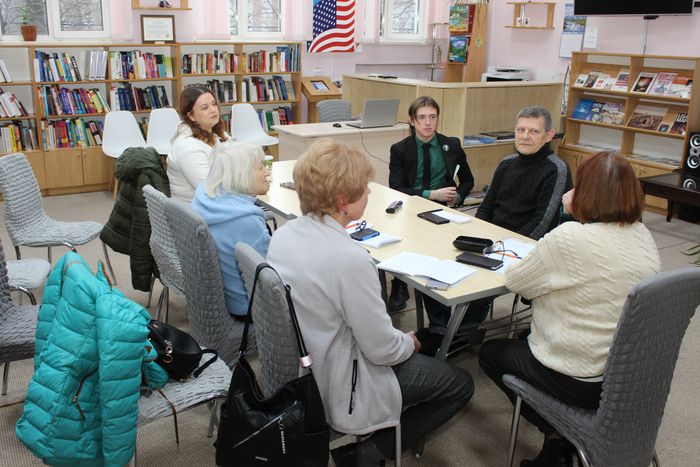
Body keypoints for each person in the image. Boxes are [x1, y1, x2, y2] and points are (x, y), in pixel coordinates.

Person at [268, 138, 473, 466]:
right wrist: (409, 342)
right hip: (342, 378)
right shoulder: (348, 259)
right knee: (459, 384)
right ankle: (368, 453)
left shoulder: (283, 235)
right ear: (343, 202)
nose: (369, 192)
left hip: (307, 361)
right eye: (364, 187)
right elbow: (383, 350)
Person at [479, 152, 661, 467]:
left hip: (580, 377)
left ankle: (558, 434)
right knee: (523, 337)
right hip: (626, 372)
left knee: (490, 353)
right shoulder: (641, 234)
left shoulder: (570, 236)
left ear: (584, 192)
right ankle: (560, 440)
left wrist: (570, 215)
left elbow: (517, 282)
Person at [387, 96, 475, 350]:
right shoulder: (400, 149)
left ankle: (441, 325)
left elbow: (468, 180)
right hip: (411, 211)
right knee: (417, 256)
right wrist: (430, 195)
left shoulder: (451, 145)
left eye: (432, 117)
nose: (428, 123)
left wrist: (458, 197)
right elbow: (397, 188)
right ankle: (401, 284)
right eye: (422, 118)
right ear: (412, 121)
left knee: (438, 263)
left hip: (443, 213)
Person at [191, 141, 271, 318]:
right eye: (261, 168)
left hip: (223, 296)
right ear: (242, 175)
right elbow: (271, 280)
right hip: (250, 307)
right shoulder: (246, 221)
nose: (267, 172)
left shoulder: (204, 195)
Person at [167, 86, 230, 203]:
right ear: (191, 116)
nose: (213, 110)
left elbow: (241, 159)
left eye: (214, 104)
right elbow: (209, 190)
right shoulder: (187, 146)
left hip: (220, 200)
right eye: (205, 108)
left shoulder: (215, 132)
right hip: (195, 210)